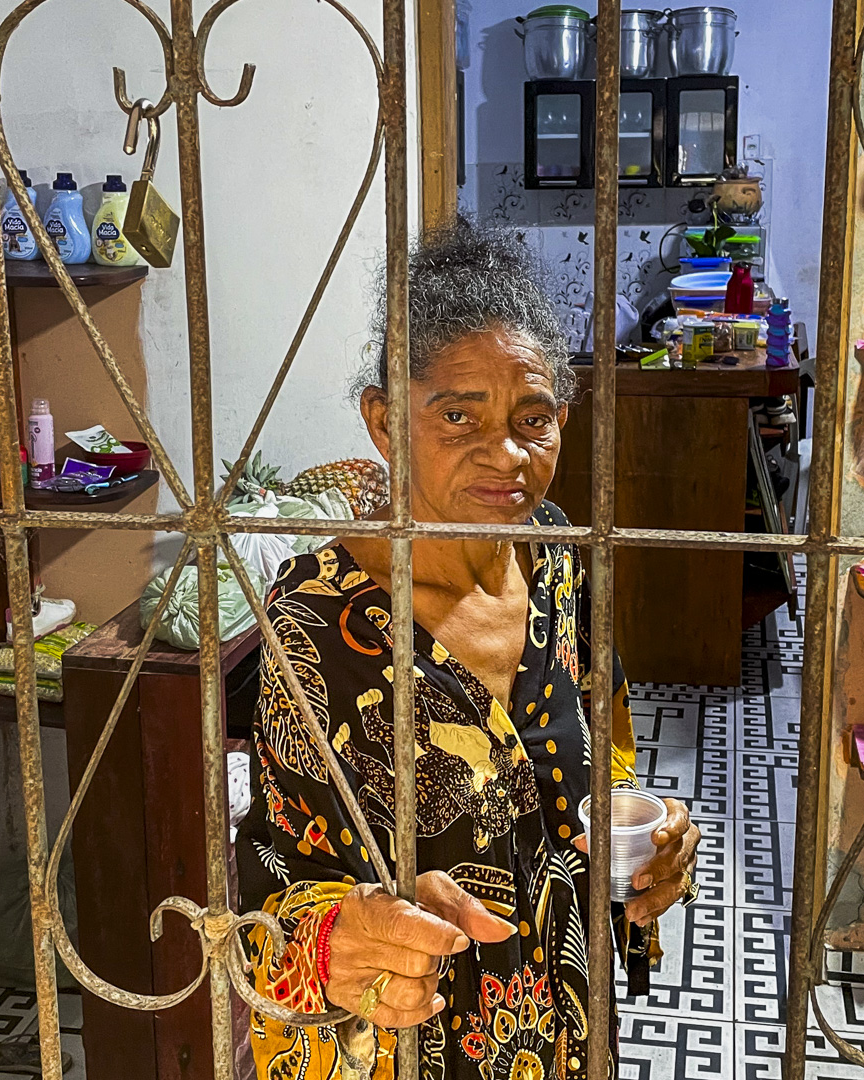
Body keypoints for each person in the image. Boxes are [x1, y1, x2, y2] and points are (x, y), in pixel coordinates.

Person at [236, 220, 702, 1080]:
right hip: (406, 1047)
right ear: (384, 421)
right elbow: (269, 887)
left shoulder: (559, 554)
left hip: (564, 1026)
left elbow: (605, 746)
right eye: (458, 415)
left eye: (533, 418)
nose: (507, 456)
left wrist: (652, 837)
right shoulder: (313, 622)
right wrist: (347, 933)